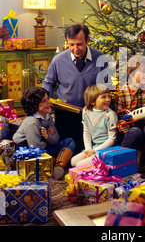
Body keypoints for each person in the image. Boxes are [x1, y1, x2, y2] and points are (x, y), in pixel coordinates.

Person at [42, 22, 112, 154]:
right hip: (65, 115)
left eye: (79, 44)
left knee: (88, 153)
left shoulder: (100, 58)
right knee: (67, 151)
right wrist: (46, 102)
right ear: (67, 42)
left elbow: (107, 88)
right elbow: (48, 83)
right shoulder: (58, 60)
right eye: (71, 44)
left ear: (87, 40)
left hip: (93, 115)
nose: (75, 49)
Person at [12, 87, 76, 180]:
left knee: (69, 141)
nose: (48, 102)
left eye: (48, 98)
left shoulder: (48, 117)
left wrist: (48, 136)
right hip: (29, 153)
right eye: (44, 101)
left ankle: (59, 167)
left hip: (43, 148)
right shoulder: (32, 122)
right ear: (35, 105)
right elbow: (35, 147)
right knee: (43, 153)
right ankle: (50, 165)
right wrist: (46, 140)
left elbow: (56, 139)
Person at [115, 57, 145, 168]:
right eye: (144, 72)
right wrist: (123, 126)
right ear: (131, 74)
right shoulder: (122, 94)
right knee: (135, 132)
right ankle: (120, 165)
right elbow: (119, 117)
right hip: (132, 130)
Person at [70, 84, 118, 167]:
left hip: (106, 151)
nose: (108, 99)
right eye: (103, 97)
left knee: (79, 165)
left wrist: (94, 151)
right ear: (92, 101)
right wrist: (88, 151)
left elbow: (112, 140)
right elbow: (87, 132)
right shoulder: (86, 110)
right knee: (73, 162)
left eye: (108, 96)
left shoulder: (110, 115)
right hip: (94, 148)